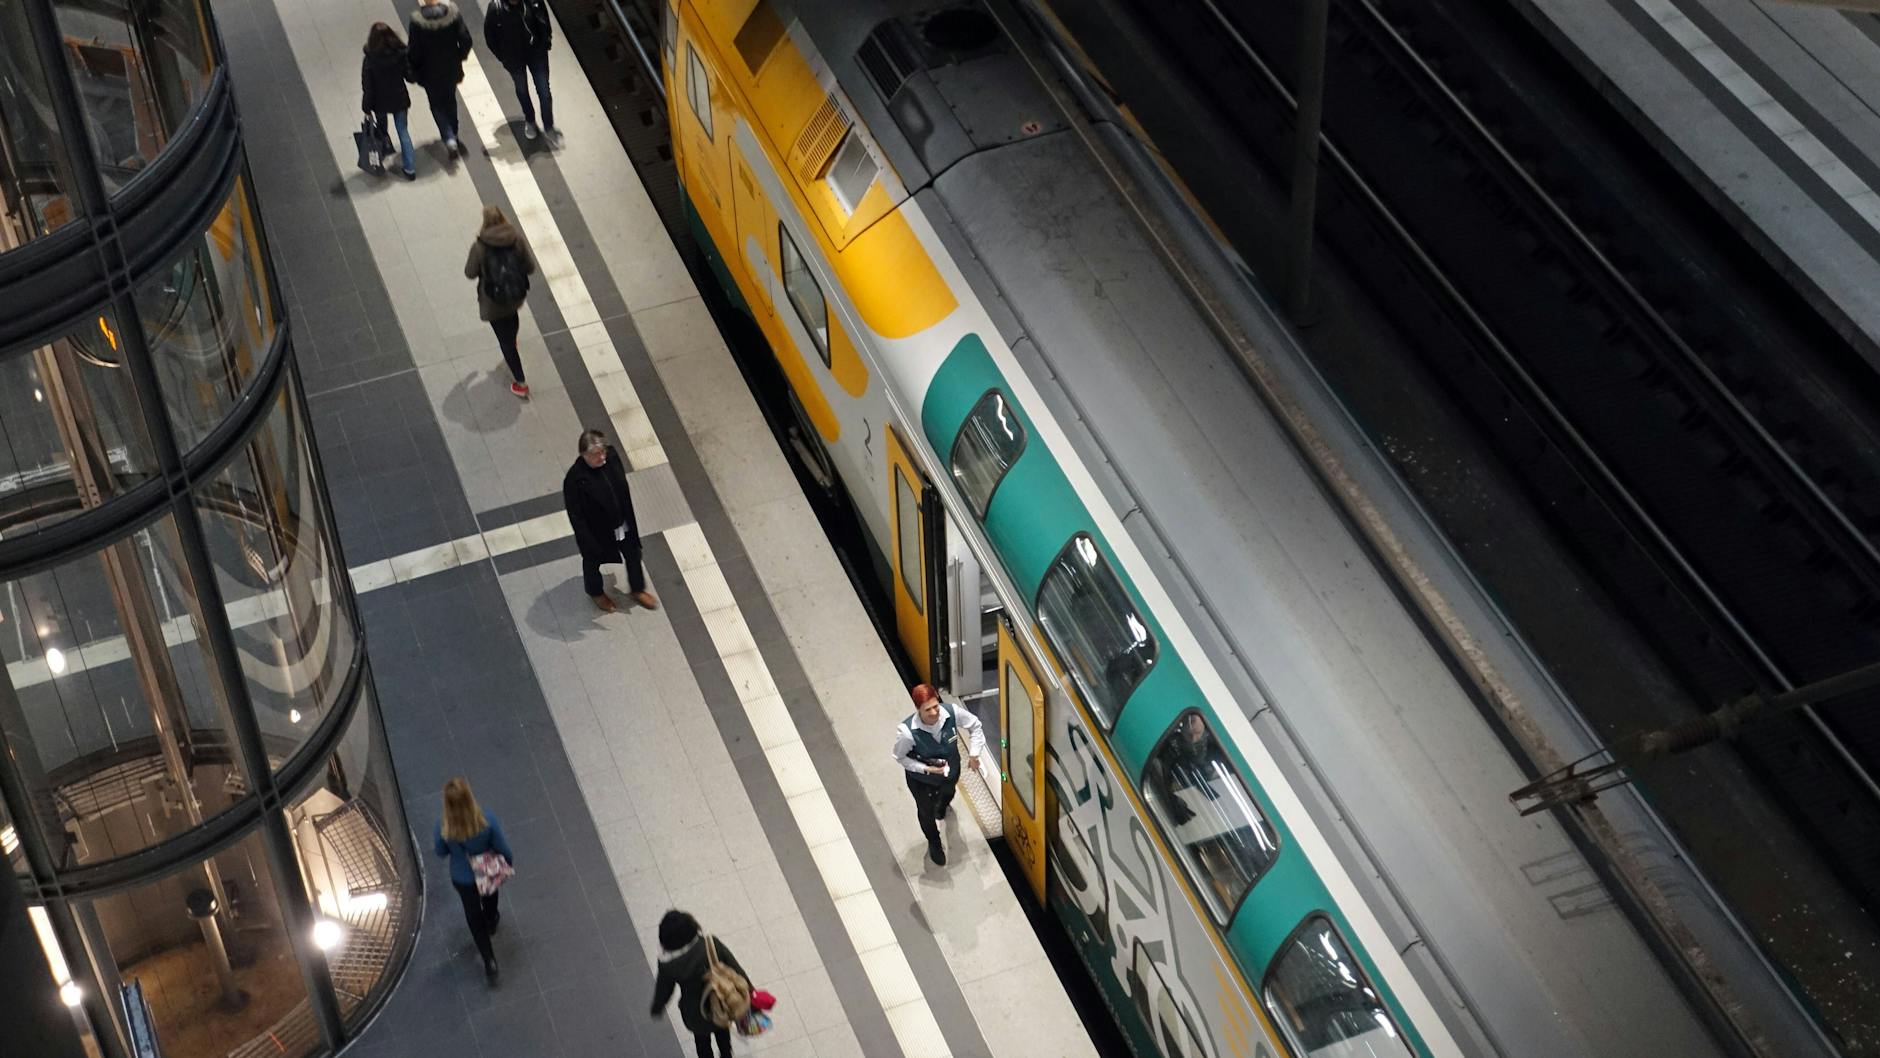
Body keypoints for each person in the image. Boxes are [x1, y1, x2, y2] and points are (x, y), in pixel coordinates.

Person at [564, 428, 659, 612]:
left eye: (602, 451)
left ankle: (637, 589)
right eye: (595, 454)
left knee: (633, 554)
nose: (601, 457)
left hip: (622, 523)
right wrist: (587, 541)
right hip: (597, 532)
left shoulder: (612, 457)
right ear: (584, 454)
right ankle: (595, 592)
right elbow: (576, 516)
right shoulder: (575, 480)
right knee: (592, 562)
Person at [890, 683, 986, 866]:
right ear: (918, 709)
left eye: (936, 706)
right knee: (926, 812)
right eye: (928, 710)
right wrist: (926, 769)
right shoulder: (907, 732)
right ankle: (934, 842)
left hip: (951, 770)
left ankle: (942, 805)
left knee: (948, 793)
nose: (934, 713)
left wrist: (974, 753)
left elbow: (975, 726)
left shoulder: (951, 712)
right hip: (921, 780)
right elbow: (900, 757)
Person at [434, 777, 513, 981]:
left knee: (472, 915)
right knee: (490, 894)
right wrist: (507, 863)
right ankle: (492, 919)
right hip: (485, 872)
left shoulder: (443, 827)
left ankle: (489, 961)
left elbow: (440, 852)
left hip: (462, 878)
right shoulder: (486, 820)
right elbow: (503, 848)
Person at [650, 910, 748, 1058]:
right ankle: (726, 1054)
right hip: (721, 1002)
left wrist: (657, 1007)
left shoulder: (668, 965)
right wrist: (751, 994)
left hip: (695, 1013)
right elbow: (735, 969)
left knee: (702, 1042)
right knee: (722, 1030)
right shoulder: (710, 945)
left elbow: (664, 990)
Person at [463, 204, 537, 398]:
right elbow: (530, 267)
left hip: (493, 300)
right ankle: (512, 340)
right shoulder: (516, 239)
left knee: (504, 341)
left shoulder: (479, 246)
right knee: (511, 319)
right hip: (515, 294)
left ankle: (521, 383)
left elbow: (469, 273)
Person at [484, 0, 559, 144]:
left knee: (544, 92)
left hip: (537, 53)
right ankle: (530, 120)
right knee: (522, 90)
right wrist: (503, 57)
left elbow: (544, 19)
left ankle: (548, 125)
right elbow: (490, 36)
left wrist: (546, 40)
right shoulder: (496, 8)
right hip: (514, 58)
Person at [406, 0, 473, 159]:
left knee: (436, 105)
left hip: (429, 72)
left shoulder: (417, 22)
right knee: (450, 100)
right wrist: (460, 56)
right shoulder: (452, 15)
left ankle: (448, 137)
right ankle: (454, 133)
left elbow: (414, 49)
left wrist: (414, 67)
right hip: (450, 68)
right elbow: (466, 39)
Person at [360, 23, 417, 179]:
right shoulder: (400, 53)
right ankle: (410, 168)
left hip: (380, 102)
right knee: (403, 131)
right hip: (399, 98)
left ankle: (384, 148)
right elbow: (409, 76)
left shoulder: (370, 59)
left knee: (382, 129)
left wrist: (366, 107)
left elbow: (368, 86)